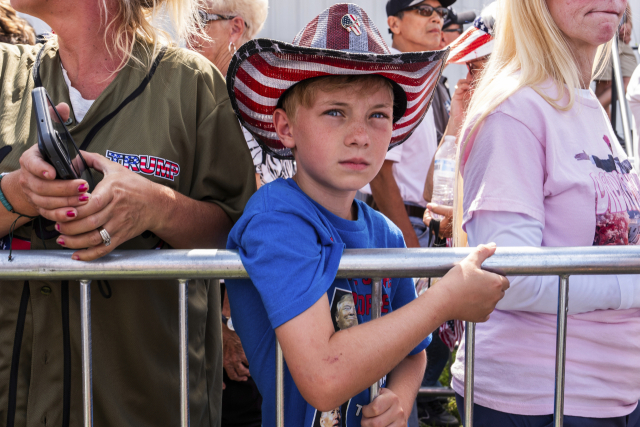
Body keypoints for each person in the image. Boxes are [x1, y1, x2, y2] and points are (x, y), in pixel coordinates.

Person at [224, 4, 509, 427]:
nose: (359, 136)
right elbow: (323, 376)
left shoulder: (386, 233)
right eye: (335, 112)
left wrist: (402, 394)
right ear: (285, 128)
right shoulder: (274, 220)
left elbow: (414, 352)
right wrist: (443, 300)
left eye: (377, 115)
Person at [0, 0, 256, 425]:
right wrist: (16, 196)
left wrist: (157, 208)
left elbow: (238, 237)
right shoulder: (6, 71)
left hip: (144, 403)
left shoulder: (191, 85)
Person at [453, 0, 640, 425]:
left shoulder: (583, 103)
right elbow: (507, 277)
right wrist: (633, 284)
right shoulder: (515, 110)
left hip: (609, 396)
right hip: (539, 399)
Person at [359, 1, 458, 424]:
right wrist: (413, 254)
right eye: (423, 9)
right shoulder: (394, 80)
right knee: (404, 336)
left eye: (442, 10)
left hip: (431, 220)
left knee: (428, 338)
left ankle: (424, 406)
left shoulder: (433, 78)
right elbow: (382, 177)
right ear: (394, 23)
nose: (437, 18)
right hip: (401, 223)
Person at [190, 1, 272, 426]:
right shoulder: (200, 95)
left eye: (198, 20)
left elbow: (249, 219)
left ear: (234, 29)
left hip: (246, 319)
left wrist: (221, 324)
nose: (184, 31)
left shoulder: (248, 108)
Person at [594, 4, 637, 118]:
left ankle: (590, 112)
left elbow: (625, 5)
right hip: (604, 38)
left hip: (620, 40)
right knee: (605, 85)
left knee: (631, 81)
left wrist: (628, 25)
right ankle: (602, 130)